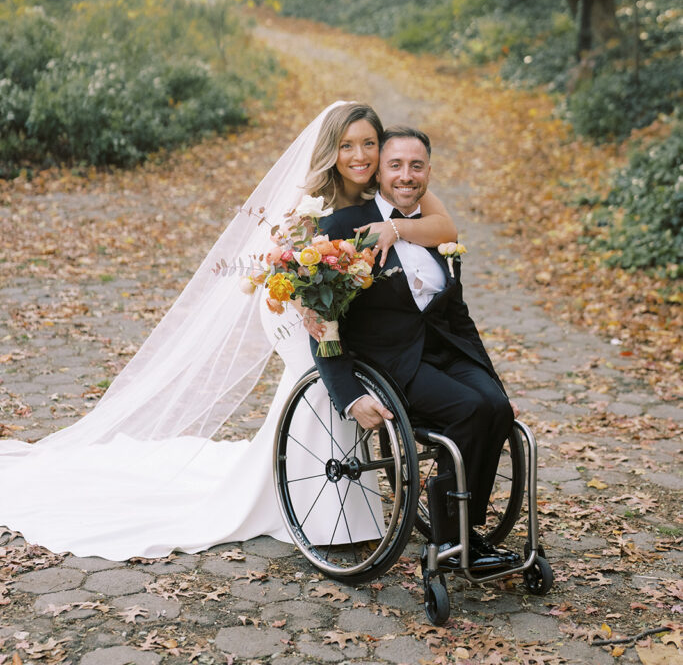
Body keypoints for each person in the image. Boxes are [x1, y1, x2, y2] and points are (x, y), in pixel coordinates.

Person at [0, 103, 458, 560]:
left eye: (369, 144)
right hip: (298, 303)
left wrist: (395, 228)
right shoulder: (314, 200)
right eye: (347, 146)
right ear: (330, 151)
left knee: (348, 374)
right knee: (324, 383)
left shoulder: (390, 187)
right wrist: (324, 326)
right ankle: (305, 507)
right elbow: (295, 277)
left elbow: (444, 227)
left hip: (347, 304)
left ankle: (343, 506)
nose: (361, 155)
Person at [309, 125, 521, 571]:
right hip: (391, 362)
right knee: (469, 409)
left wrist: (494, 380)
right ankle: (451, 541)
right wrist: (347, 395)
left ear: (428, 171)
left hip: (444, 351)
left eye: (417, 166)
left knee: (497, 407)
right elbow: (323, 324)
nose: (407, 176)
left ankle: (466, 533)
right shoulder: (344, 228)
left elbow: (458, 315)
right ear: (379, 173)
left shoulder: (432, 229)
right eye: (396, 166)